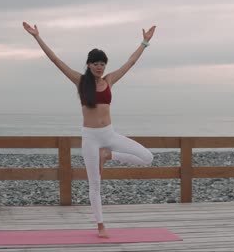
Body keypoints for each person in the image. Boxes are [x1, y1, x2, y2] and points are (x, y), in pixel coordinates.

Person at [23, 21, 156, 238]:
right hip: (91, 138)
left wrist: (144, 42)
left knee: (147, 157)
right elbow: (55, 60)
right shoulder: (80, 81)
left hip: (110, 135)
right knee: (95, 184)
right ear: (89, 64)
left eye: (103, 63)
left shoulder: (110, 80)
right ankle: (101, 225)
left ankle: (109, 155)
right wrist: (37, 37)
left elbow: (130, 62)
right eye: (96, 63)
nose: (100, 67)